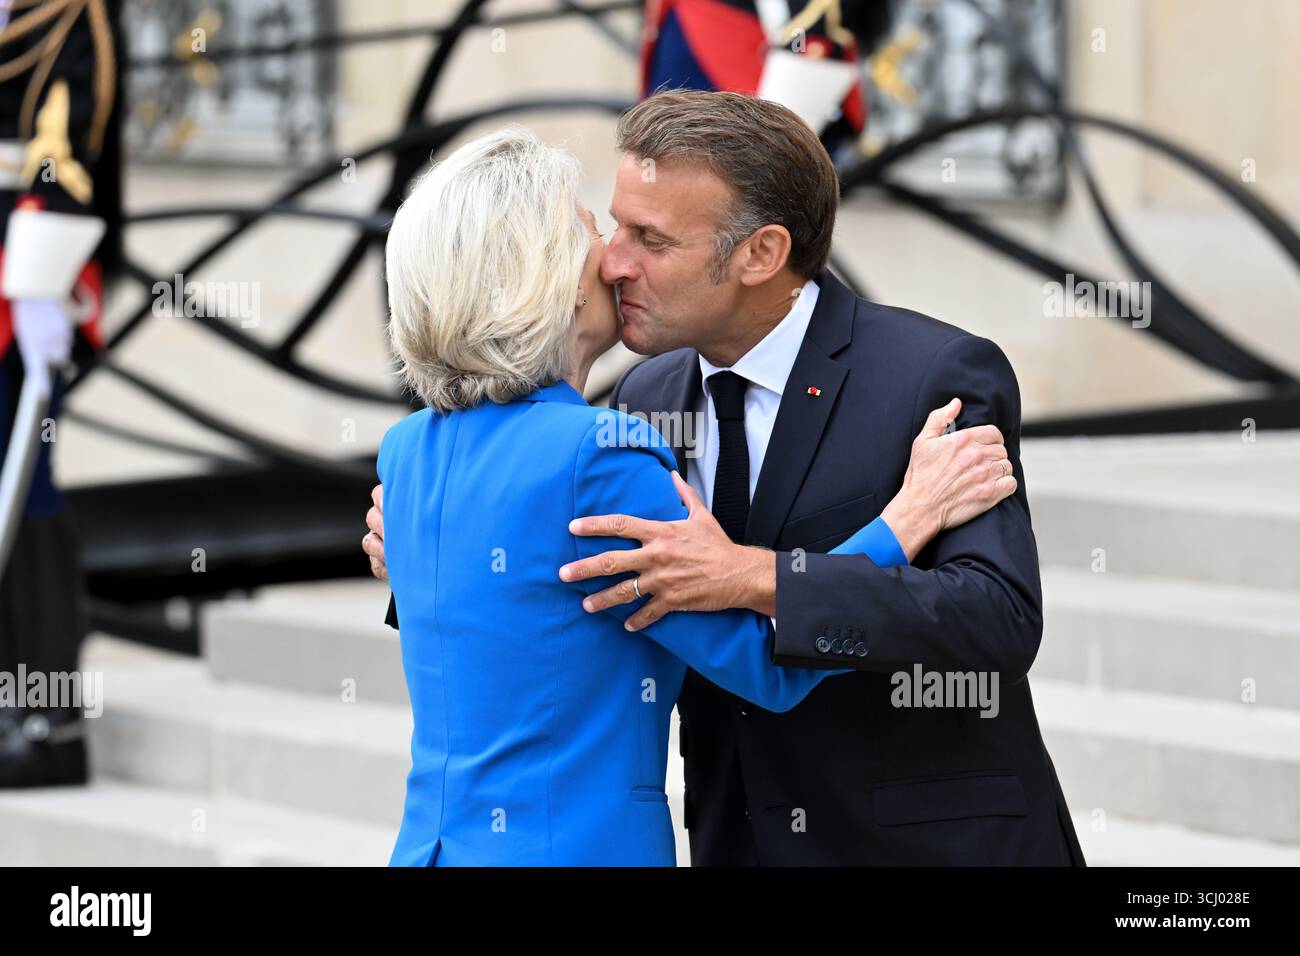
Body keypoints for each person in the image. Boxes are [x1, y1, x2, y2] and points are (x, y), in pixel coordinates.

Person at [370, 90, 1085, 866]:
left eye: (650, 237)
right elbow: (599, 619)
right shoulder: (637, 404)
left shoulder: (932, 375)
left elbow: (997, 619)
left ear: (759, 254)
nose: (615, 259)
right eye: (609, 228)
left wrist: (758, 577)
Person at [0, 0, 122, 788]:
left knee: (26, 480)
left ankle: (52, 721)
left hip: (27, 267)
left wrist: (45, 277)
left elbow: (73, 141)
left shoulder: (75, 10)